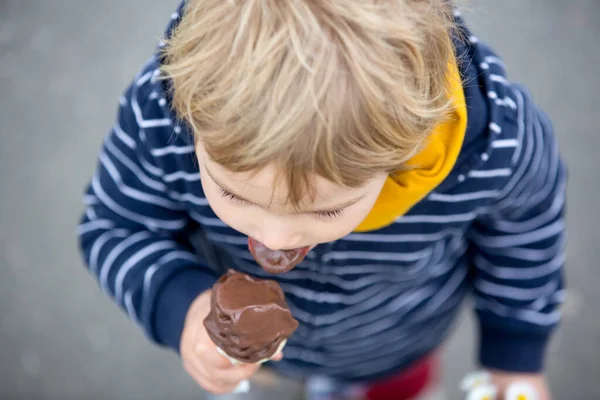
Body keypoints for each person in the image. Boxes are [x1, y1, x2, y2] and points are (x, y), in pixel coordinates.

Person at [77, 1, 566, 399]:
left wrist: (513, 356)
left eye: (326, 210)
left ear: (408, 145)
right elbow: (115, 225)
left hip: (393, 348)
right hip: (252, 364)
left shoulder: (496, 149)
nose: (272, 241)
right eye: (231, 192)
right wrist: (181, 302)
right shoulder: (165, 116)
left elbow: (526, 239)